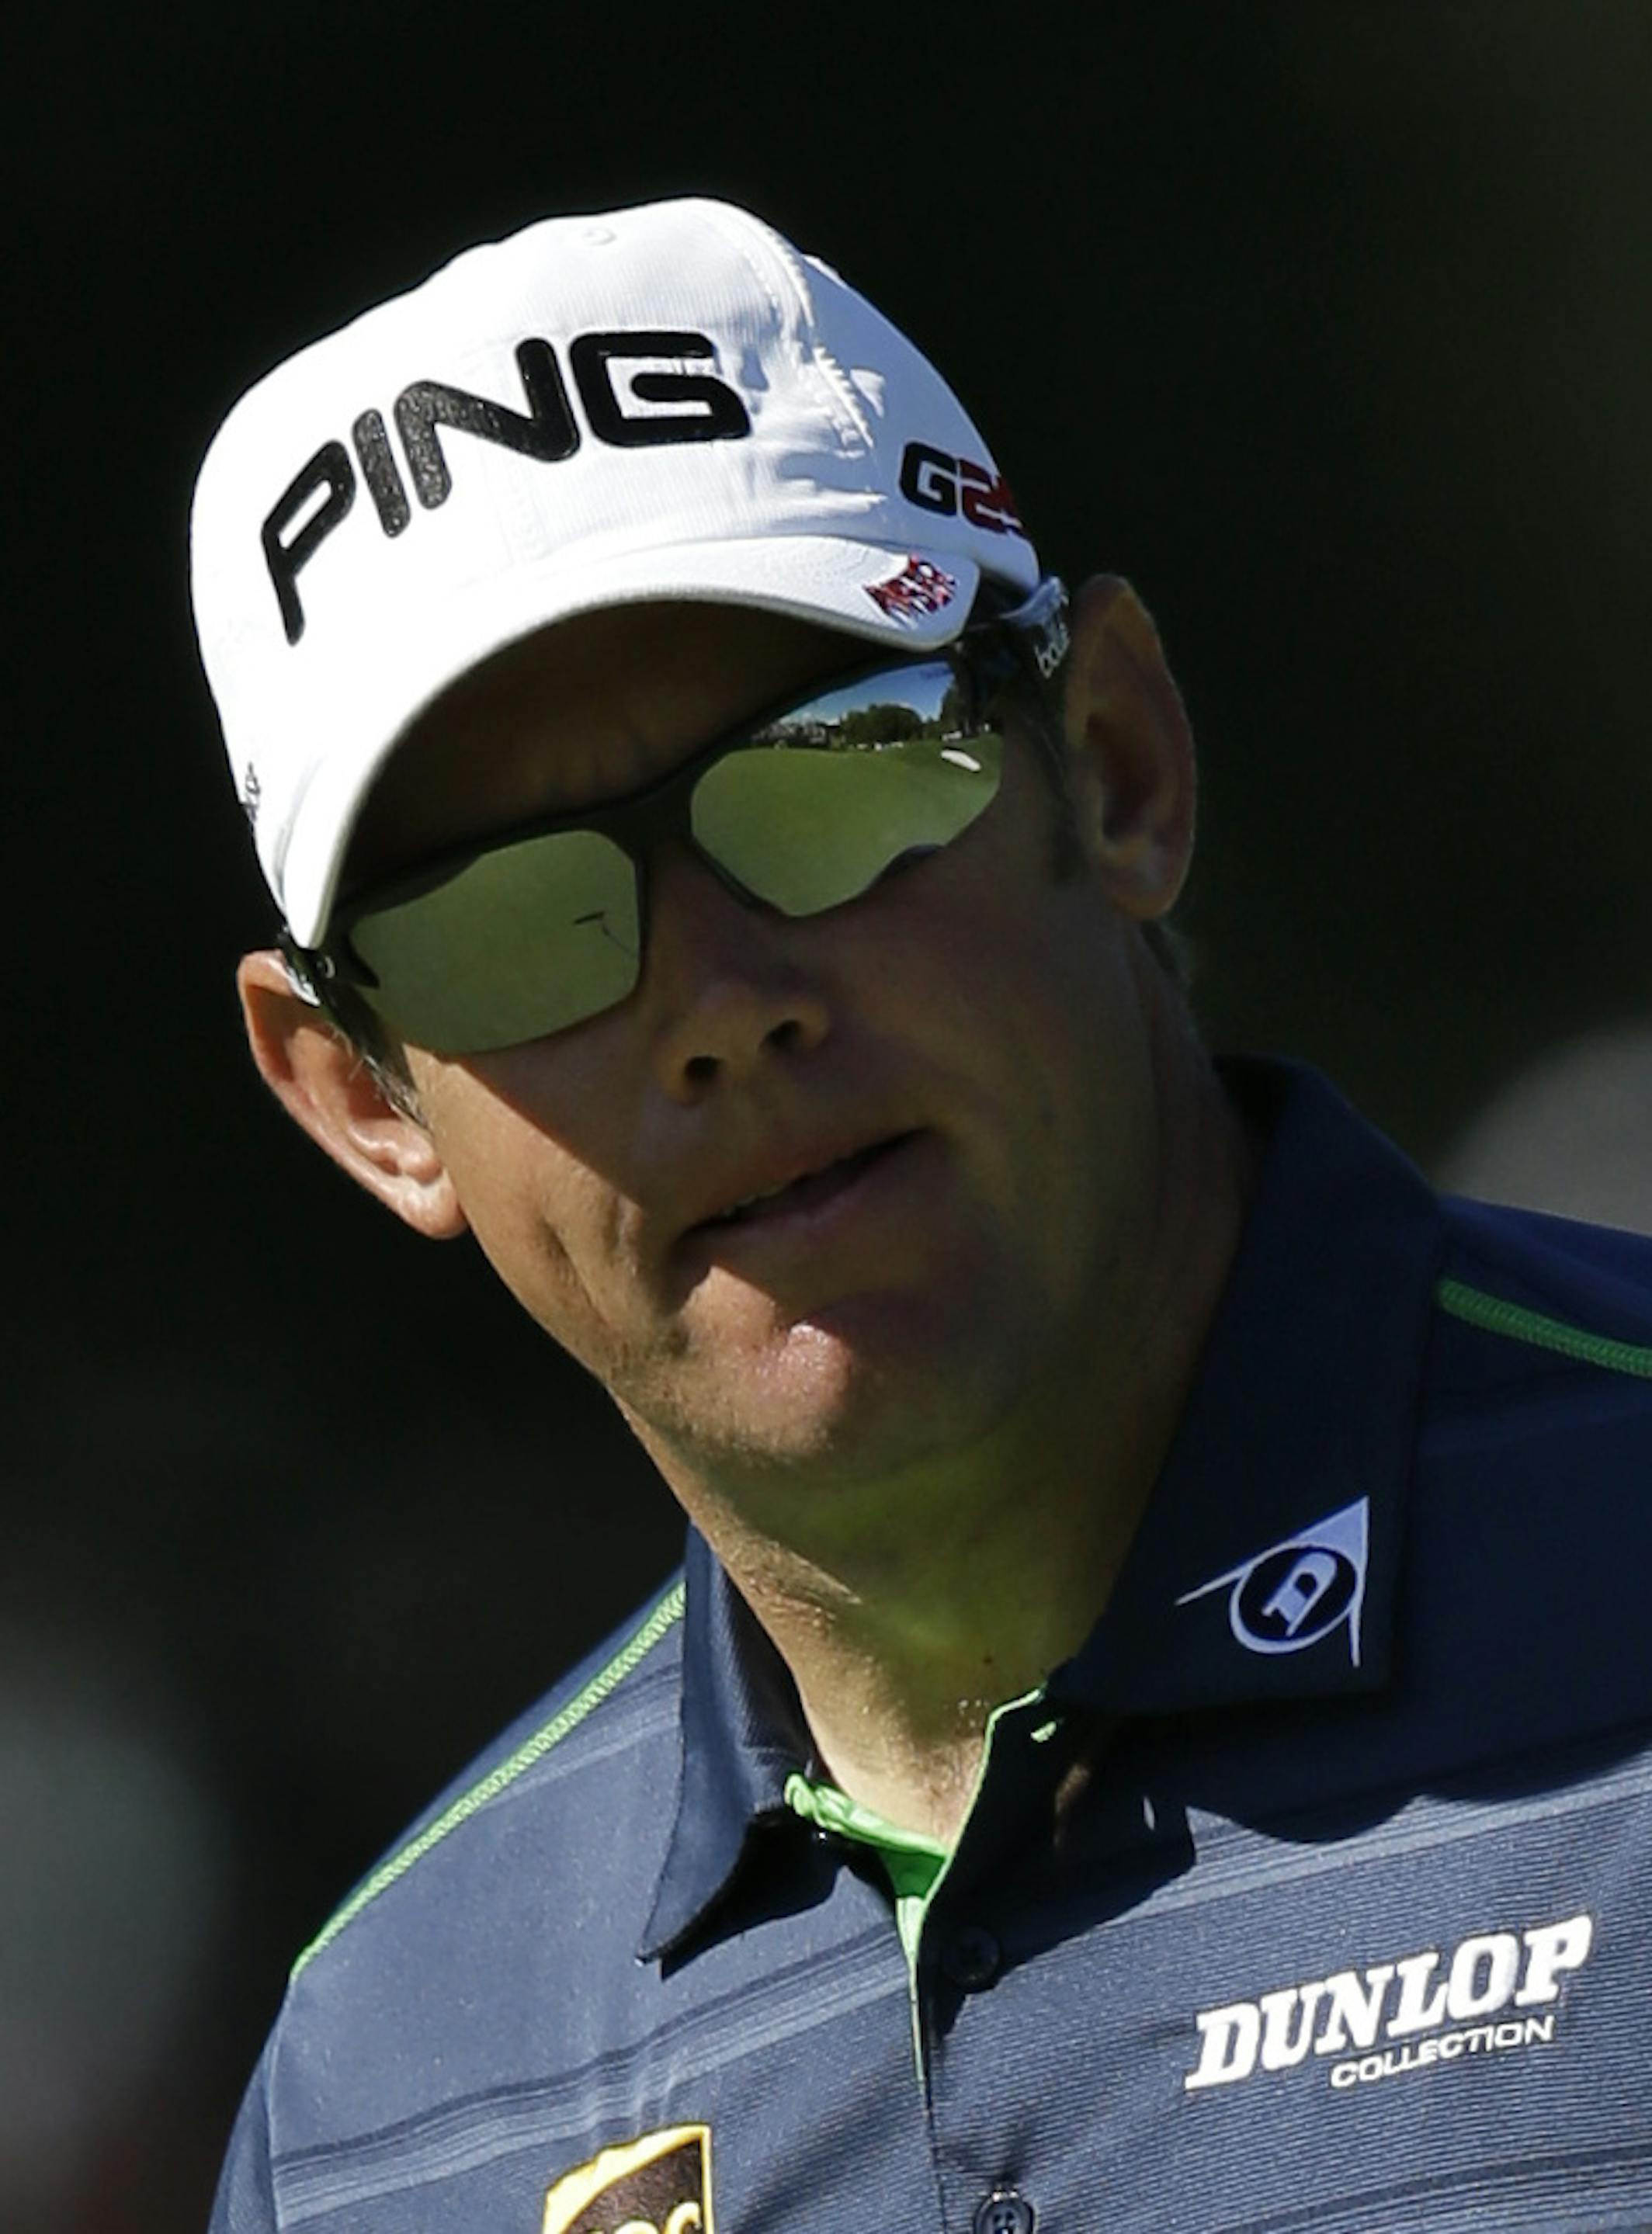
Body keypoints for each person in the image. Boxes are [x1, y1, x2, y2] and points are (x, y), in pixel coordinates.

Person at [192, 198, 1652, 2234]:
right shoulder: (384, 2091)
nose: (717, 1007)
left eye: (835, 775)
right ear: (367, 1100)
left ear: (1116, 764)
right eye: (513, 922)